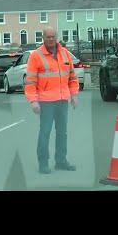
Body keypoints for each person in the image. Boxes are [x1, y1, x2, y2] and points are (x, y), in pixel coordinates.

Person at [24, 26, 79, 174]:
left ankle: (61, 161)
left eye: (53, 36)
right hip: (46, 101)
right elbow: (30, 82)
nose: (51, 39)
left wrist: (74, 95)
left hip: (62, 100)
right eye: (48, 37)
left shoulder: (65, 54)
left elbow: (72, 77)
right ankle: (43, 163)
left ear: (57, 37)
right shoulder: (36, 56)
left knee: (62, 133)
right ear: (43, 38)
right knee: (45, 132)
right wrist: (33, 101)